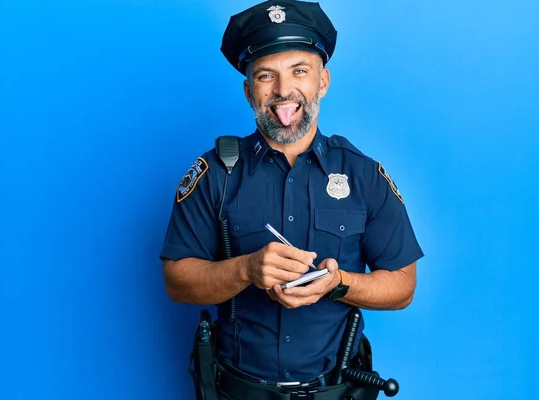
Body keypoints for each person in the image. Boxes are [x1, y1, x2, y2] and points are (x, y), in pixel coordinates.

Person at [159, 1, 424, 399]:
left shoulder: (363, 175)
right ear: (249, 90)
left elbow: (403, 286)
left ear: (323, 82)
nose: (284, 91)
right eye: (267, 76)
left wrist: (338, 284)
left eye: (299, 71)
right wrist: (246, 269)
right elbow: (177, 281)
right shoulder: (215, 173)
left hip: (336, 392)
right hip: (237, 392)